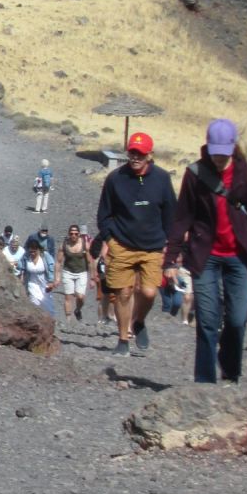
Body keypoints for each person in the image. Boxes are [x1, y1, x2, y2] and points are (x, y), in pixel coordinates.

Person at [163, 119, 247, 384]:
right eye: (215, 153)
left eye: (224, 153)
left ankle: (231, 372)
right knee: (207, 320)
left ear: (233, 147)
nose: (219, 158)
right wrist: (170, 259)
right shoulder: (195, 174)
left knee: (237, 320)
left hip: (239, 256)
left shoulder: (245, 173)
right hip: (205, 256)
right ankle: (204, 380)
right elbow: (182, 218)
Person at [96, 131, 176, 358]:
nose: (135, 157)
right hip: (122, 244)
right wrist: (110, 240)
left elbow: (171, 213)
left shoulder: (162, 178)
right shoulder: (115, 179)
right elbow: (104, 214)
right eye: (132, 152)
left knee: (149, 292)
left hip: (153, 246)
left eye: (140, 153)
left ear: (150, 155)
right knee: (123, 292)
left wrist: (171, 244)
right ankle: (123, 339)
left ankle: (139, 321)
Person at [54, 224, 90, 320]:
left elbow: (90, 261)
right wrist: (57, 278)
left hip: (81, 272)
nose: (73, 235)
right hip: (68, 272)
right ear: (69, 234)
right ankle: (68, 321)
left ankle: (78, 310)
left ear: (79, 234)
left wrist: (93, 277)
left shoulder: (85, 244)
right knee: (68, 297)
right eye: (71, 233)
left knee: (80, 297)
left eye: (76, 234)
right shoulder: (64, 245)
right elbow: (58, 262)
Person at [20, 235, 56, 314]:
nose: (32, 253)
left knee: (47, 305)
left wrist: (51, 281)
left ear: (38, 249)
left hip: (44, 283)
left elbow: (51, 266)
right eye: (31, 251)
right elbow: (21, 265)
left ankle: (50, 319)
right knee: (34, 302)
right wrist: (22, 275)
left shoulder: (44, 255)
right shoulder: (26, 256)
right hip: (32, 283)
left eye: (34, 251)